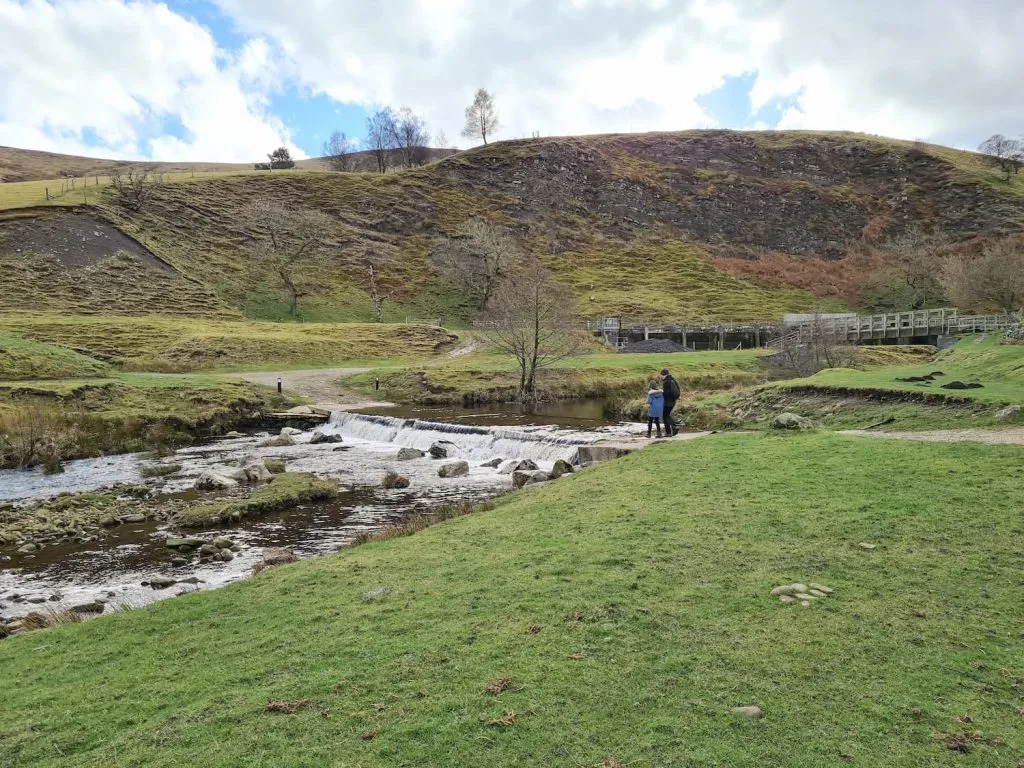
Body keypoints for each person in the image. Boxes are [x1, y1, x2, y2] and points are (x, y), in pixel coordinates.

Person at [661, 368, 680, 436]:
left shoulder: (666, 382)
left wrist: (661, 392)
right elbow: (678, 389)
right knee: (667, 415)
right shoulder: (673, 380)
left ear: (663, 375)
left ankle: (668, 432)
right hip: (673, 401)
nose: (661, 376)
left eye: (661, 375)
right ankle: (674, 427)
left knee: (665, 416)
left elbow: (666, 393)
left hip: (668, 402)